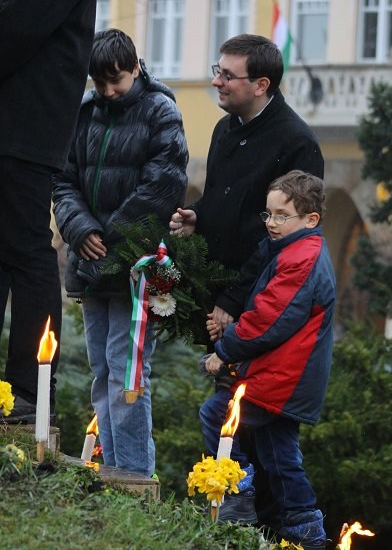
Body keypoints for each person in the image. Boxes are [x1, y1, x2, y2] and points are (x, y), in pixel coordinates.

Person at [170, 33, 325, 522]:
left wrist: (234, 301)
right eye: (217, 69)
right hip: (224, 301)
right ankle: (257, 518)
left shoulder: (296, 141)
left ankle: (250, 516)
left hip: (255, 306)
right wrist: (198, 216)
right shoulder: (223, 128)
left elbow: (281, 237)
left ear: (261, 84)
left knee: (242, 423)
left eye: (226, 75)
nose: (215, 81)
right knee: (244, 423)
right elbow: (224, 201)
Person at [52, 29, 189, 477]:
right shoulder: (84, 114)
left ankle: (133, 477)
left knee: (127, 371)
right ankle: (111, 470)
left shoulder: (161, 111)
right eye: (100, 83)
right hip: (90, 262)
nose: (109, 91)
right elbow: (63, 179)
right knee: (102, 370)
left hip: (134, 268)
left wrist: (110, 239)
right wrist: (80, 229)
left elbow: (163, 185)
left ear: (135, 68)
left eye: (117, 81)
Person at [199, 170, 336, 550]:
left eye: (281, 215)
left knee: (215, 414)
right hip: (285, 376)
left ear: (311, 220)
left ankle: (237, 498)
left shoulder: (301, 258)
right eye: (268, 214)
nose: (272, 223)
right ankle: (305, 531)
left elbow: (268, 320)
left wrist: (223, 351)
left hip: (283, 377)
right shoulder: (295, 250)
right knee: (280, 454)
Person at [0, 0, 98, 423]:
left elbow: (15, 29)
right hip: (14, 125)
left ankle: (29, 390)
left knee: (26, 251)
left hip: (24, 126)